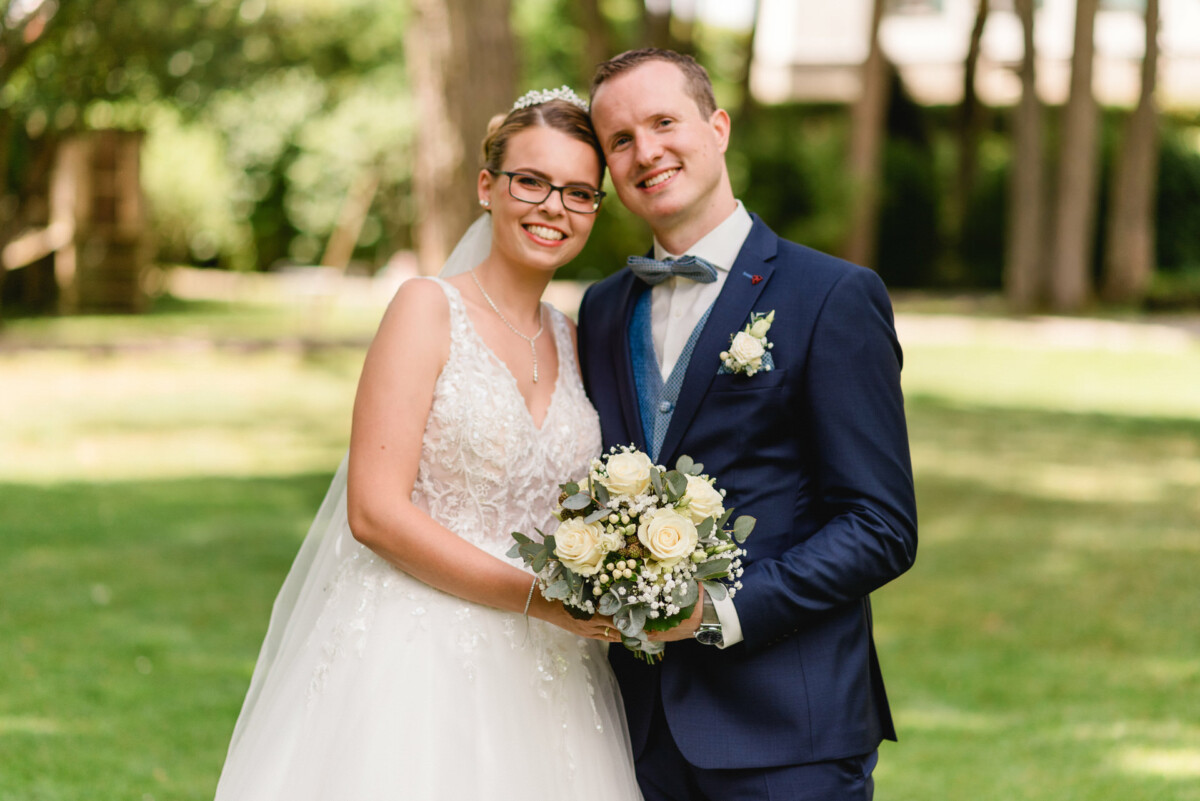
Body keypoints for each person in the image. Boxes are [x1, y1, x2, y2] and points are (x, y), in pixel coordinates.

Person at [213, 87, 643, 800]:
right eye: (530, 181)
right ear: (488, 186)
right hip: (416, 653)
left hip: (552, 670)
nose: (553, 207)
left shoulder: (573, 338)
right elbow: (374, 513)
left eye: (578, 192)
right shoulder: (426, 308)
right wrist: (534, 595)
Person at [577, 49, 919, 801]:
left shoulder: (832, 295)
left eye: (665, 122)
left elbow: (881, 525)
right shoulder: (602, 311)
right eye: (621, 140)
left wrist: (720, 611)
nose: (647, 152)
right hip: (634, 733)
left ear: (718, 127)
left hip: (788, 730)